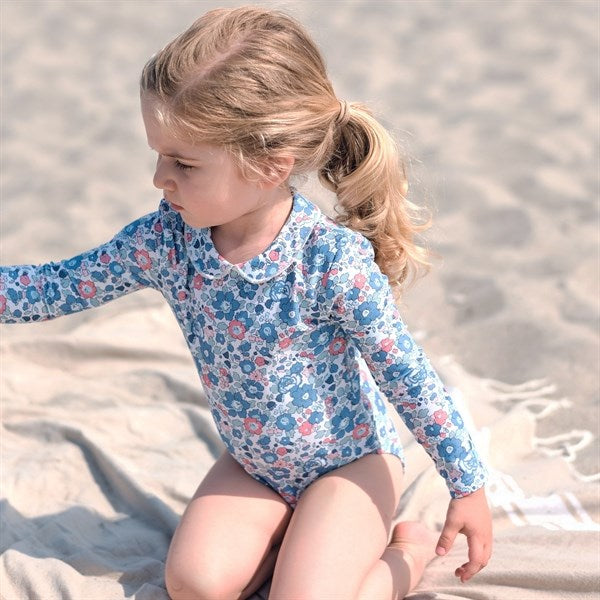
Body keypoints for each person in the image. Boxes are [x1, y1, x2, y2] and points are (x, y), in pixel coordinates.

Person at [0, 6, 492, 600]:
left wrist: (466, 484)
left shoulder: (329, 261)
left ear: (269, 166)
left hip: (350, 465)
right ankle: (293, 539)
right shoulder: (165, 242)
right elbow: (54, 286)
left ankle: (404, 551)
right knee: (193, 584)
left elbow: (407, 375)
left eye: (183, 163)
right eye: (158, 154)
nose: (160, 178)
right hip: (254, 466)